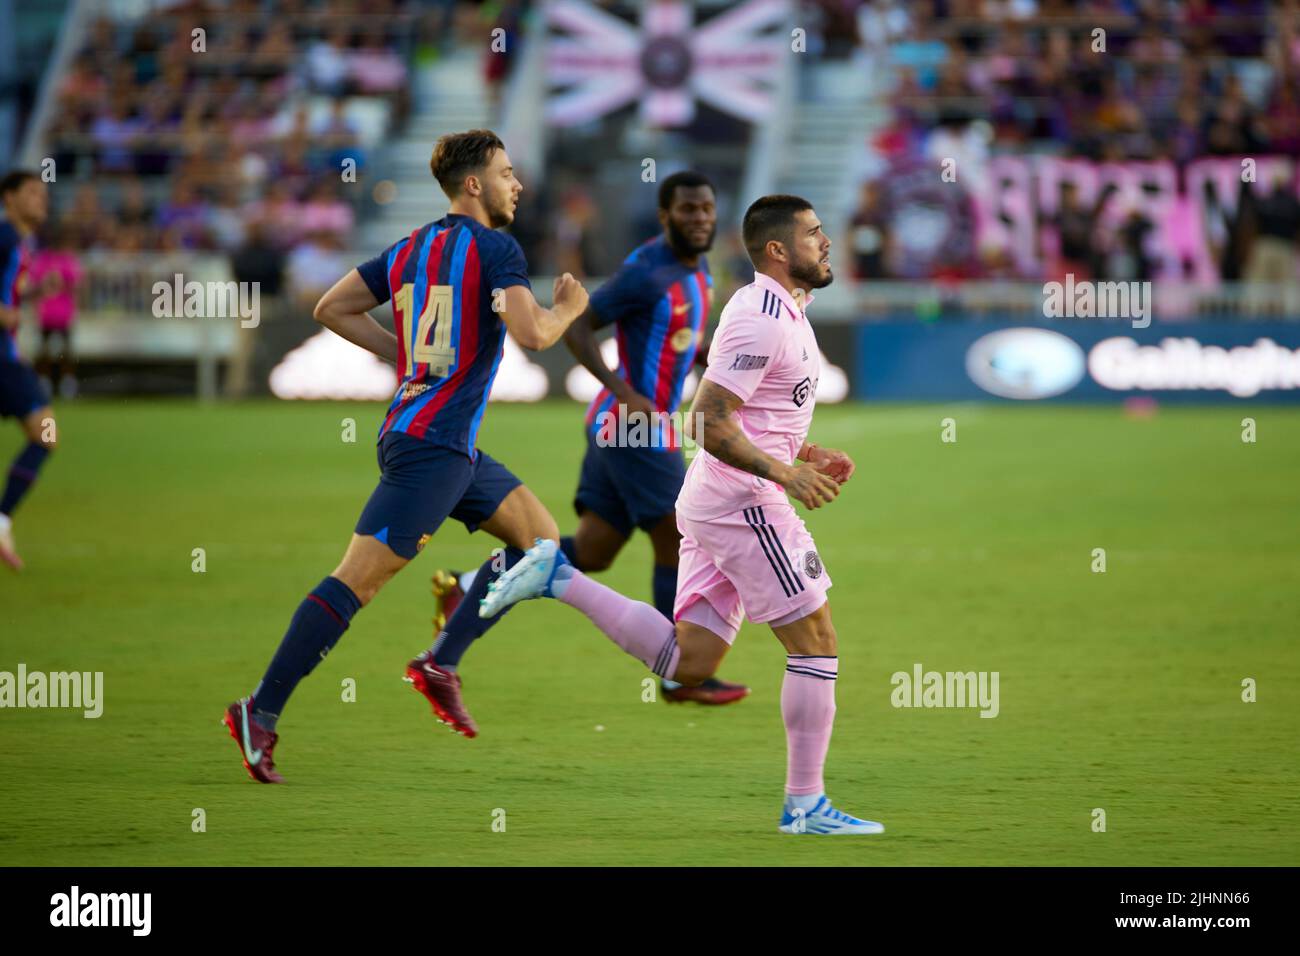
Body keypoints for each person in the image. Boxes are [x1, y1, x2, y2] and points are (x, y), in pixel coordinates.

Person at [480, 195, 884, 835]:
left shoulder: (785, 311)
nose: (826, 242)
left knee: (689, 662)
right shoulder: (764, 317)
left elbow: (752, 416)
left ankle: (557, 579)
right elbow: (707, 420)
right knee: (817, 643)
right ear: (778, 250)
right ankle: (805, 807)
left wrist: (805, 451)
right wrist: (787, 473)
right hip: (743, 503)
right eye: (813, 234)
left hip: (713, 497)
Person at [223, 130, 589, 782]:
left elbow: (331, 307)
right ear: (473, 184)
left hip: (442, 442)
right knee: (356, 580)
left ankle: (440, 659)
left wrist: (406, 358)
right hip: (431, 449)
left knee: (540, 545)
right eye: (506, 173)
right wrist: (568, 308)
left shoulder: (414, 246)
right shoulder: (497, 248)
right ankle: (260, 710)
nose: (518, 185)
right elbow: (533, 334)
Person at [424, 171, 749, 715]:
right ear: (665, 216)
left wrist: (711, 358)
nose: (700, 218)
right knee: (676, 532)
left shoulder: (696, 272)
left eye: (707, 209)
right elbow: (578, 326)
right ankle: (677, 674)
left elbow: (676, 339)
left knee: (594, 553)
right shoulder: (648, 271)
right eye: (688, 210)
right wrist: (626, 393)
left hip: (622, 427)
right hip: (632, 429)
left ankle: (467, 582)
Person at [0, 171, 56, 571]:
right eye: (32, 193)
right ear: (9, 198)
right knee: (46, 433)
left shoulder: (20, 244)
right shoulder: (4, 239)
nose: (41, 200)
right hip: (2, 359)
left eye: (44, 193)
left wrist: (33, 294)